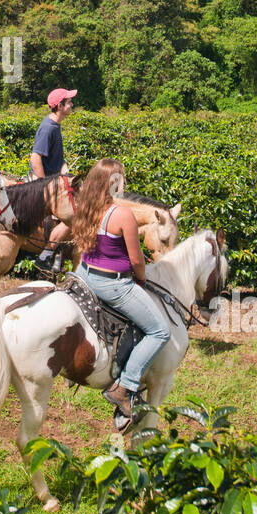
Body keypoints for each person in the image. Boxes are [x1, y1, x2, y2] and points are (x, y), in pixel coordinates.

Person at [71, 157, 173, 428]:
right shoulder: (122, 214)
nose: (125, 183)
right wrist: (140, 279)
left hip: (84, 275)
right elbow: (137, 260)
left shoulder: (86, 208)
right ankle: (125, 386)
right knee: (160, 330)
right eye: (122, 178)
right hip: (112, 283)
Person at [30, 86, 76, 270]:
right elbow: (35, 158)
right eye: (69, 102)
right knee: (75, 216)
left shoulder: (55, 125)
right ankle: (47, 255)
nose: (72, 104)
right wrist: (44, 185)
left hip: (56, 178)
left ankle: (57, 256)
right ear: (59, 106)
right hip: (47, 182)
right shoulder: (48, 127)